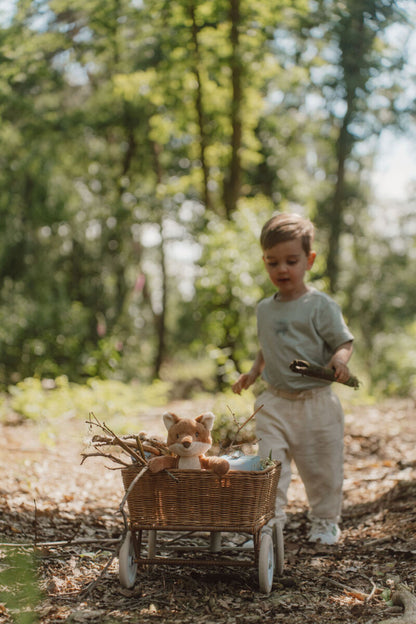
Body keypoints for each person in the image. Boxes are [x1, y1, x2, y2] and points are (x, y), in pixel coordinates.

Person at [232, 212, 354, 545]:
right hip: (275, 401)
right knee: (270, 466)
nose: (281, 269)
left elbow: (343, 341)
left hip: (317, 403)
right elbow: (266, 346)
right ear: (264, 261)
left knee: (322, 469)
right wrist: (253, 372)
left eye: (291, 260)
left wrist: (339, 361)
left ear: (309, 260)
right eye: (273, 262)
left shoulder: (320, 306)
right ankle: (269, 523)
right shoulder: (264, 309)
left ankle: (325, 521)